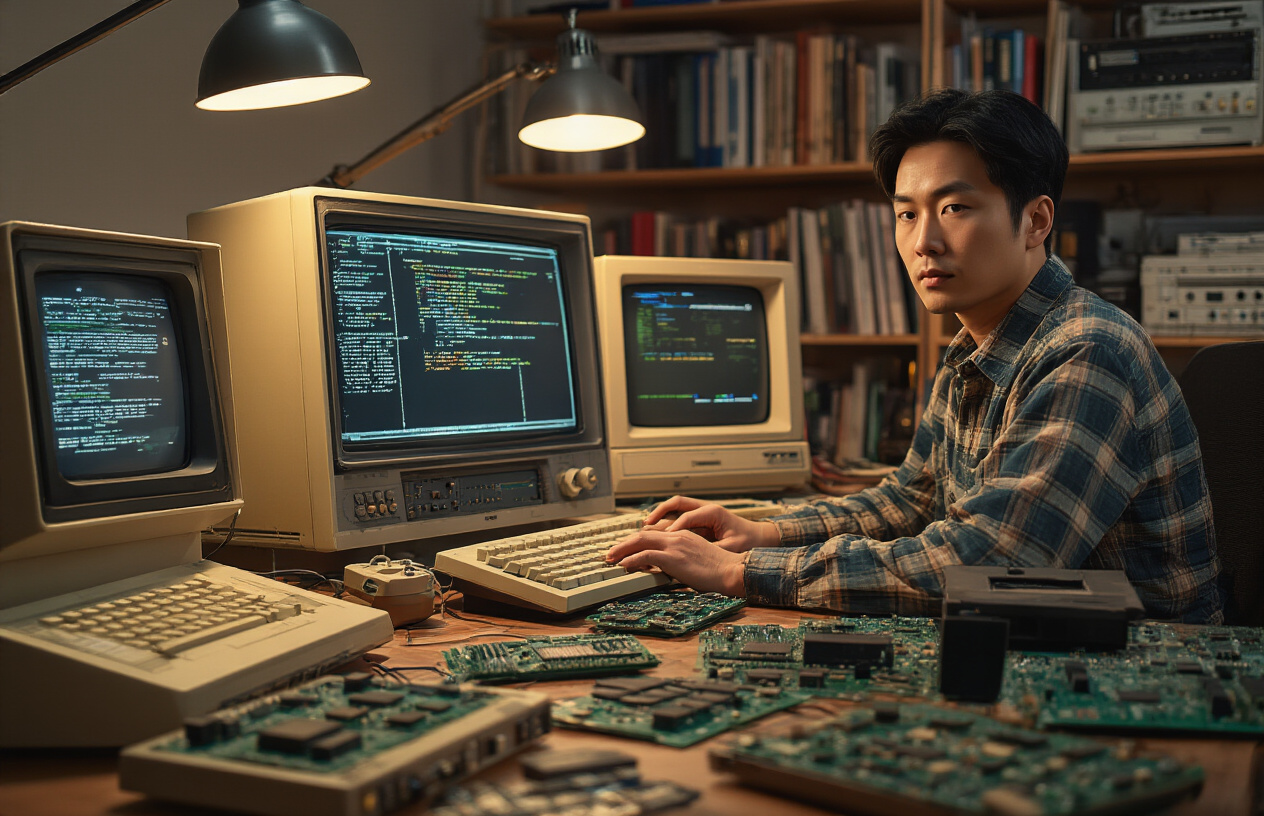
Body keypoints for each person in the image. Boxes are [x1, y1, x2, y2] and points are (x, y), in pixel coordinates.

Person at [605, 87, 1223, 624]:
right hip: (1044, 642)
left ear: (1035, 222)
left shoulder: (1087, 352)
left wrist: (746, 572)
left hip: (1143, 671)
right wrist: (759, 532)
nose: (923, 241)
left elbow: (992, 561)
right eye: (906, 213)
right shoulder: (974, 345)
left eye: (954, 208)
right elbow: (912, 501)